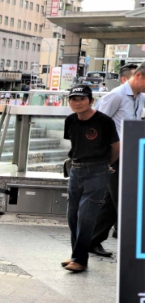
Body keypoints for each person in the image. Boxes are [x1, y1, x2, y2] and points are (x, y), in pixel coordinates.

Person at [88, 62, 145, 257]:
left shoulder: (140, 98)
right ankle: (132, 247)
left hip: (129, 156)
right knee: (123, 200)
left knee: (112, 202)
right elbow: (97, 124)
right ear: (139, 77)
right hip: (113, 157)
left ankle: (92, 240)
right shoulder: (116, 95)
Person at [62, 85, 120, 272]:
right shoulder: (70, 120)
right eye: (73, 99)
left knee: (86, 218)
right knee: (72, 217)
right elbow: (74, 145)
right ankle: (75, 255)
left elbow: (116, 147)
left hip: (96, 172)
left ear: (91, 100)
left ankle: (80, 260)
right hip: (76, 171)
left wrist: (104, 166)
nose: (77, 103)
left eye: (82, 99)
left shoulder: (104, 121)